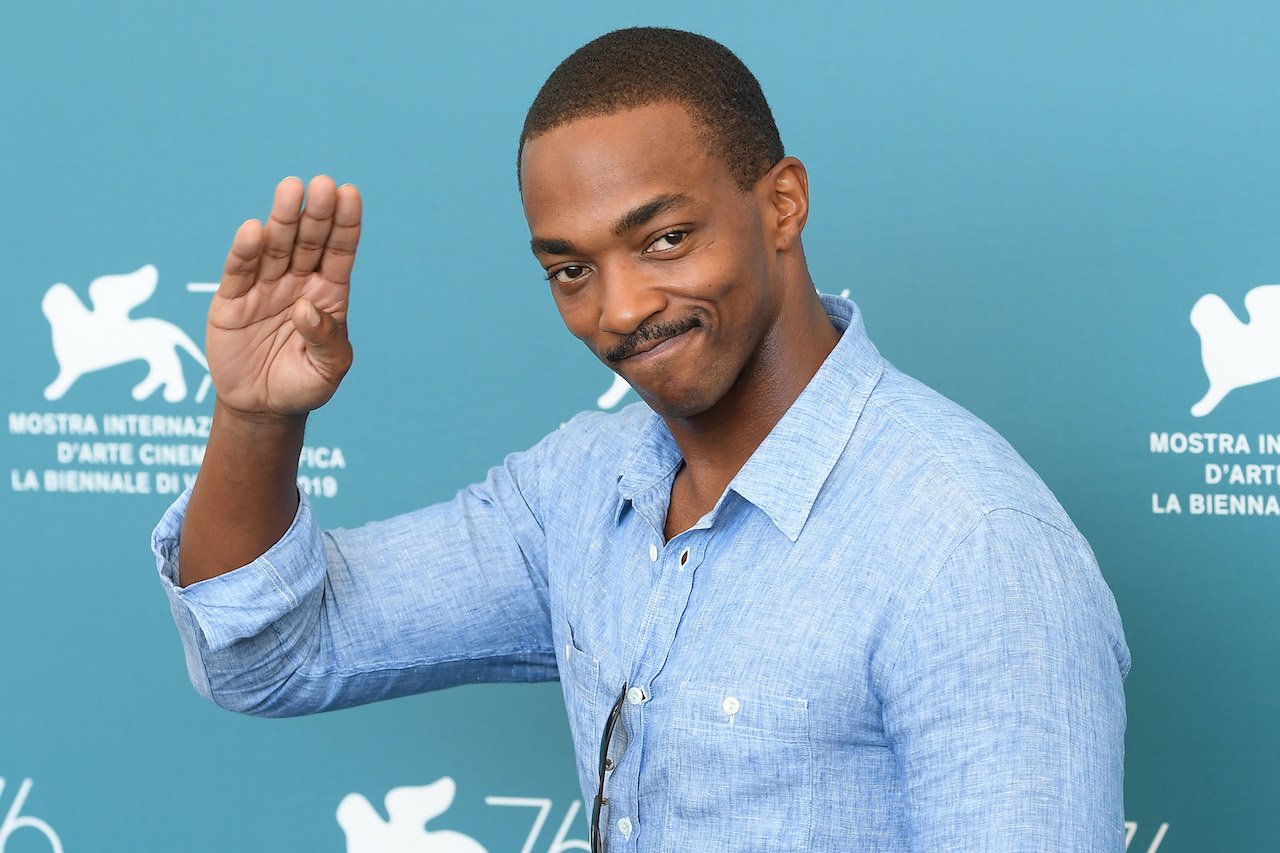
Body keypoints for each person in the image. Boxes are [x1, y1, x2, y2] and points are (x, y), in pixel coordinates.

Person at [153, 27, 1130, 851]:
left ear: (780, 203)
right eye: (570, 269)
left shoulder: (972, 546)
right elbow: (269, 655)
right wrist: (257, 416)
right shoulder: (579, 487)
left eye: (664, 239)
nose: (619, 308)